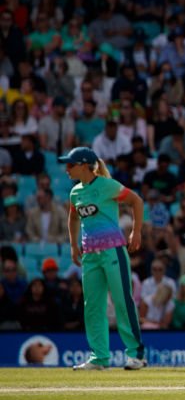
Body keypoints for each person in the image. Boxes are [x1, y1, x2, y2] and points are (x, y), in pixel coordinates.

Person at [61, 146, 147, 371]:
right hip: (90, 255)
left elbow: (136, 201)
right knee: (93, 307)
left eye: (70, 165)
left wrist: (136, 231)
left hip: (113, 251)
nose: (66, 169)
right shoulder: (75, 192)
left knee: (122, 301)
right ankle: (99, 357)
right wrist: (73, 244)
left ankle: (136, 355)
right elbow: (72, 218)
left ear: (83, 165)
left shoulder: (107, 186)